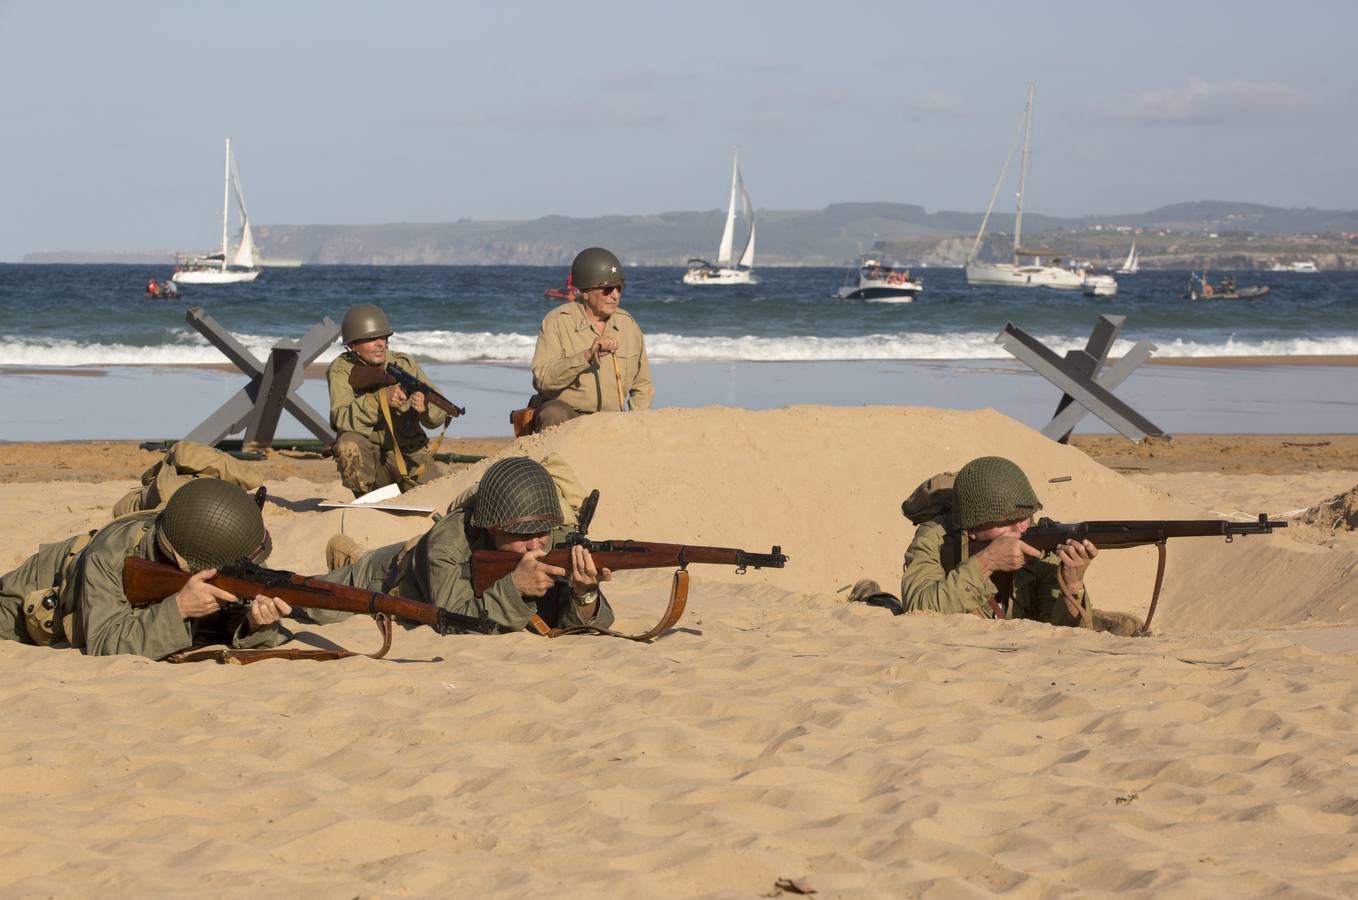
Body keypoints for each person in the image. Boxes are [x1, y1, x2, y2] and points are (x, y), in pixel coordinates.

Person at [312, 457, 614, 634]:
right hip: (391, 575)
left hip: (426, 569)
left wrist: (584, 595)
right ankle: (349, 556)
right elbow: (453, 622)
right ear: (491, 528)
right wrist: (514, 586)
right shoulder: (447, 545)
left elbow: (576, 627)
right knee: (315, 601)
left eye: (542, 533)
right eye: (521, 535)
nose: (534, 545)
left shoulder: (551, 536)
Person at [0, 478, 290, 658]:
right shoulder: (109, 556)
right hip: (21, 601)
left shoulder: (206, 543)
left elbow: (224, 622)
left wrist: (256, 624)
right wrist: (178, 608)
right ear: (191, 565)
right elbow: (103, 643)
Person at [898, 456, 1098, 627]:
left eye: (1026, 516)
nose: (1021, 528)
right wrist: (985, 562)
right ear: (973, 528)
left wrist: (1072, 585)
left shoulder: (1040, 543)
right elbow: (918, 610)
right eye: (1007, 521)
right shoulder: (935, 538)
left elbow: (1060, 634)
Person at [327, 303, 451, 497]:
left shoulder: (403, 364)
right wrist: (379, 400)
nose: (380, 344)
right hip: (372, 460)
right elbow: (341, 418)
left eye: (383, 337)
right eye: (371, 339)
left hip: (410, 456)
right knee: (348, 444)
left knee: (438, 498)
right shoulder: (342, 369)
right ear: (352, 346)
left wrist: (426, 407)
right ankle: (365, 501)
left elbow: (438, 417)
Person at [527, 247, 654, 432]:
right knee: (553, 412)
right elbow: (543, 380)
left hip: (611, 420)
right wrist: (586, 356)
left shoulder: (628, 325)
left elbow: (642, 384)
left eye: (619, 288)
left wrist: (635, 421)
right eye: (607, 289)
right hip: (569, 416)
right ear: (585, 292)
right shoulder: (557, 322)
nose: (615, 295)